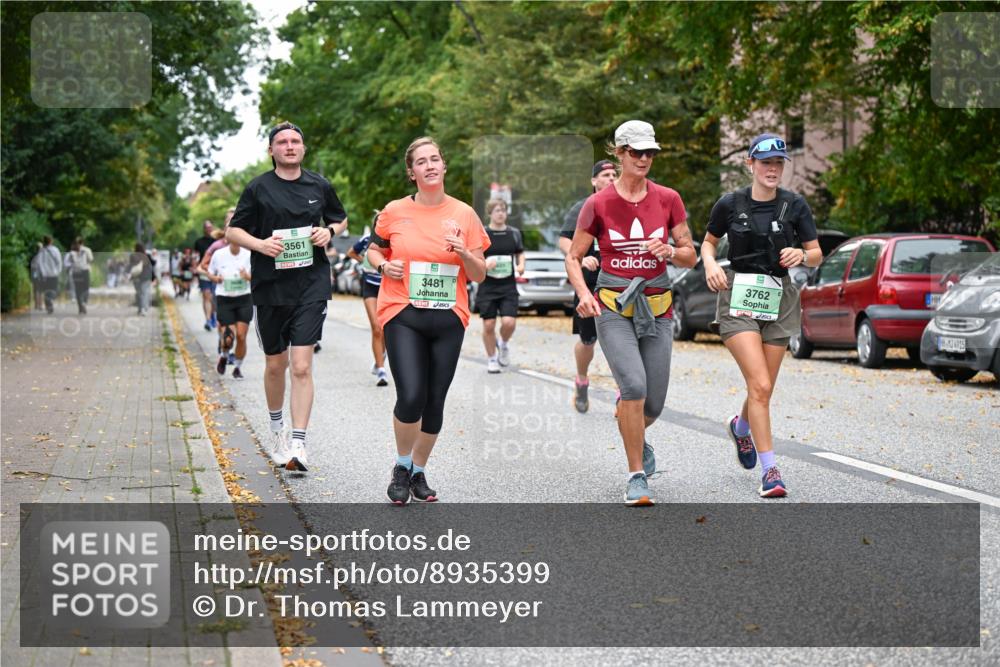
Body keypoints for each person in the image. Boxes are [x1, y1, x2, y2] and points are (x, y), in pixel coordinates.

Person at [566, 120, 697, 506]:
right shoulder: (598, 203)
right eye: (637, 152)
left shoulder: (668, 198)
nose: (644, 158)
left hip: (658, 308)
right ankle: (636, 476)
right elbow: (573, 257)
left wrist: (670, 251)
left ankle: (631, 422)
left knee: (652, 404)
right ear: (620, 152)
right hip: (613, 307)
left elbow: (689, 254)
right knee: (635, 388)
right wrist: (583, 294)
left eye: (650, 152)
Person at [366, 136, 488, 505]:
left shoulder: (464, 214)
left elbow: (479, 273)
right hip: (403, 311)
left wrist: (464, 252)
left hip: (448, 317)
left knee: (434, 401)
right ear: (412, 173)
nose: (430, 165)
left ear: (443, 166)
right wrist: (384, 265)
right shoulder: (394, 211)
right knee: (411, 395)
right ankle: (402, 466)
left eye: (435, 159)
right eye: (421, 161)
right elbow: (373, 250)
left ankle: (418, 471)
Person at [701, 133, 820, 498]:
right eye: (766, 163)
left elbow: (816, 253)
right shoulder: (729, 203)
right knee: (762, 386)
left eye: (778, 163)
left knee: (762, 385)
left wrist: (802, 255)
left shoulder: (795, 205)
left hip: (779, 297)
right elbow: (707, 243)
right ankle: (771, 472)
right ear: (750, 164)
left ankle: (741, 428)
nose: (772, 169)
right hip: (738, 295)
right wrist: (710, 265)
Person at [227, 121, 348, 472]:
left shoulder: (319, 185)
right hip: (270, 287)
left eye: (296, 141)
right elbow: (233, 230)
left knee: (302, 366)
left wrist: (329, 232)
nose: (290, 146)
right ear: (272, 150)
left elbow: (340, 219)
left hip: (311, 284)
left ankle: (298, 443)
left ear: (303, 149)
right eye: (282, 142)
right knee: (275, 365)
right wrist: (259, 244)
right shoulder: (258, 188)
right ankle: (276, 429)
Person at [559, 160, 616, 411]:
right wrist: (580, 258)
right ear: (594, 181)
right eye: (605, 174)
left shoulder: (625, 207)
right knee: (588, 340)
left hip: (619, 283)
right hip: (588, 285)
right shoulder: (583, 207)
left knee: (620, 341)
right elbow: (564, 240)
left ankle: (625, 393)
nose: (611, 178)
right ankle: (581, 380)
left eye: (614, 174)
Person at [476, 199, 525, 373]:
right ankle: (492, 359)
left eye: (503, 210)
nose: (501, 213)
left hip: (508, 286)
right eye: (497, 210)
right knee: (489, 324)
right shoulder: (482, 233)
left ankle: (503, 343)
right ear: (490, 213)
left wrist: (521, 265)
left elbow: (520, 253)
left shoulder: (514, 233)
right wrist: (484, 264)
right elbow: (474, 257)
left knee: (509, 322)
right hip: (487, 286)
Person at [347, 223, 388, 386]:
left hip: (388, 288)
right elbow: (351, 252)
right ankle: (381, 370)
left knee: (386, 329)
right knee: (376, 328)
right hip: (370, 286)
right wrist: (364, 260)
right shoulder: (367, 239)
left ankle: (381, 356)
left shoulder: (395, 240)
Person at [207, 233, 253, 379]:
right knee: (228, 337)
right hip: (225, 299)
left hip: (244, 298)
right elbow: (209, 273)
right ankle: (224, 355)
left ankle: (237, 367)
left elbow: (257, 277)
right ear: (227, 238)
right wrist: (216, 278)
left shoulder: (248, 254)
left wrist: (247, 276)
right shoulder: (218, 254)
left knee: (241, 336)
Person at [194, 220, 218, 331]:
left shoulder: (217, 241)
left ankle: (212, 314)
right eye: (207, 227)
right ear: (204, 229)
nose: (209, 229)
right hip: (204, 272)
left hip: (215, 272)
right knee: (206, 295)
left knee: (213, 297)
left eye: (210, 227)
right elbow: (195, 256)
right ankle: (208, 320)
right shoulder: (198, 242)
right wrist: (195, 268)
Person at [66, 237, 94, 314]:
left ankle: (80, 306)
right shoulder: (87, 250)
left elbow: (69, 262)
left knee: (78, 289)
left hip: (76, 272)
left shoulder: (71, 252)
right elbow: (91, 259)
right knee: (85, 288)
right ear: (82, 242)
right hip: (84, 271)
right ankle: (83, 302)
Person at [35, 236, 62, 314]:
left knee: (46, 290)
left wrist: (42, 272)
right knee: (54, 289)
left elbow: (39, 262)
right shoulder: (55, 250)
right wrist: (58, 271)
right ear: (51, 241)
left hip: (45, 274)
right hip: (54, 273)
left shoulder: (41, 251)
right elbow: (59, 261)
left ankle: (48, 305)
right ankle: (50, 300)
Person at [129, 243, 154, 315]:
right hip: (146, 277)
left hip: (136, 277)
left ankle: (140, 309)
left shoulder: (133, 256)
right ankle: (144, 308)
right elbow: (152, 266)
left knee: (139, 293)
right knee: (145, 293)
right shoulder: (147, 255)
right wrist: (153, 277)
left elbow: (131, 266)